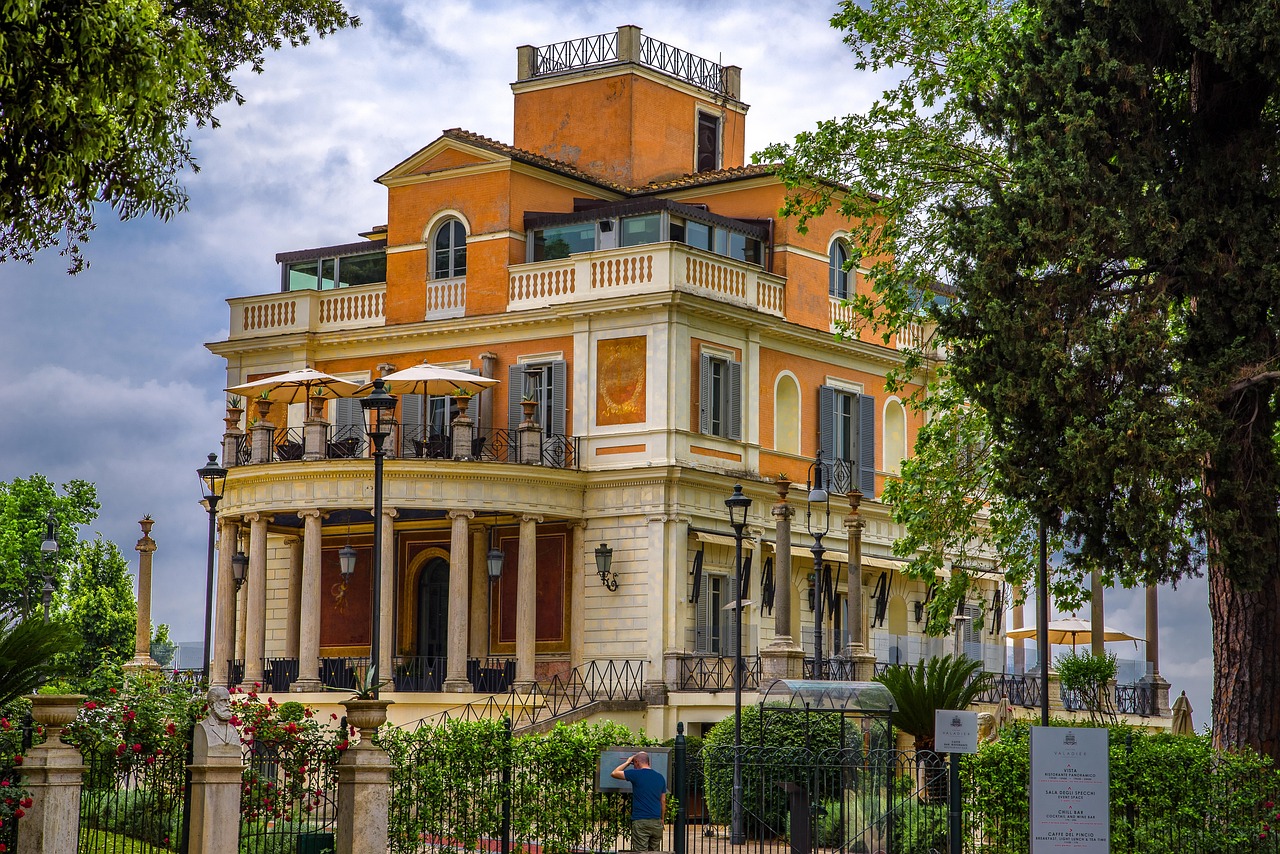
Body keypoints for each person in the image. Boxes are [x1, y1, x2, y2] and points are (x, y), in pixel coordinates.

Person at [611, 750, 666, 851]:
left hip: (641, 821)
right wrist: (662, 819)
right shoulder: (660, 777)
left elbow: (614, 773)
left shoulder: (636, 774)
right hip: (656, 821)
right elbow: (662, 801)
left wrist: (627, 762)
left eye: (633, 763)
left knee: (641, 851)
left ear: (636, 762)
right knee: (655, 851)